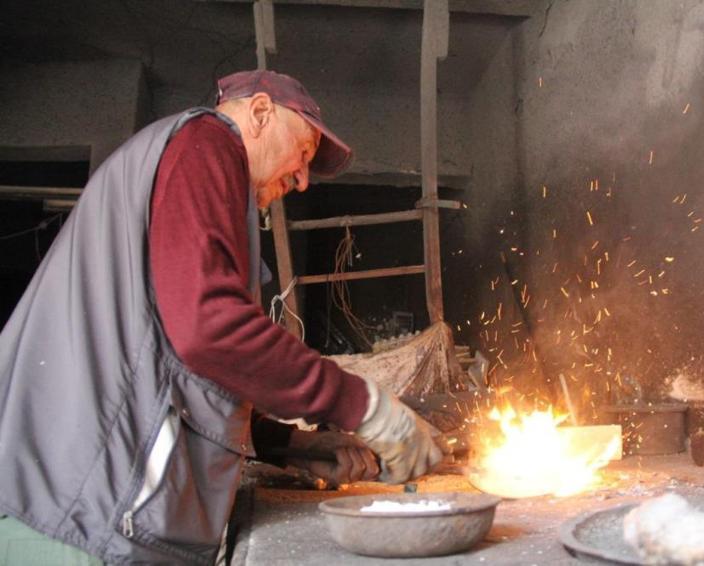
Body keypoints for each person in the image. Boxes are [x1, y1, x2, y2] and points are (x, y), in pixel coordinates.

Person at [0, 70, 444, 565]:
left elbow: (174, 373)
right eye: (303, 152)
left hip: (80, 512)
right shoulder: (206, 142)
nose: (302, 180)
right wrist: (367, 407)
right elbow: (209, 329)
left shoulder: (189, 165)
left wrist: (291, 445)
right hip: (77, 518)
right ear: (259, 113)